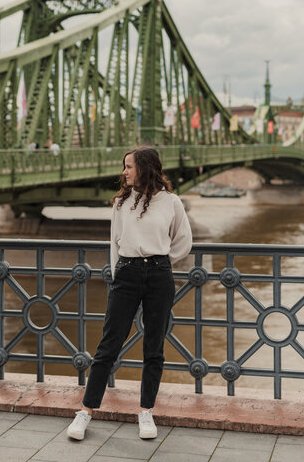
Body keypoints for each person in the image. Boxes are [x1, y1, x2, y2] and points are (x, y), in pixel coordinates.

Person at [67, 146, 192, 441]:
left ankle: (146, 411)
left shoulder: (171, 202)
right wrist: (119, 273)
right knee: (108, 345)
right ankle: (85, 411)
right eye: (124, 167)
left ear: (145, 168)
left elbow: (184, 241)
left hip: (159, 275)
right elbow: (115, 242)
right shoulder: (122, 202)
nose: (124, 172)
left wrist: (160, 262)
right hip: (126, 274)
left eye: (129, 167)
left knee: (154, 347)